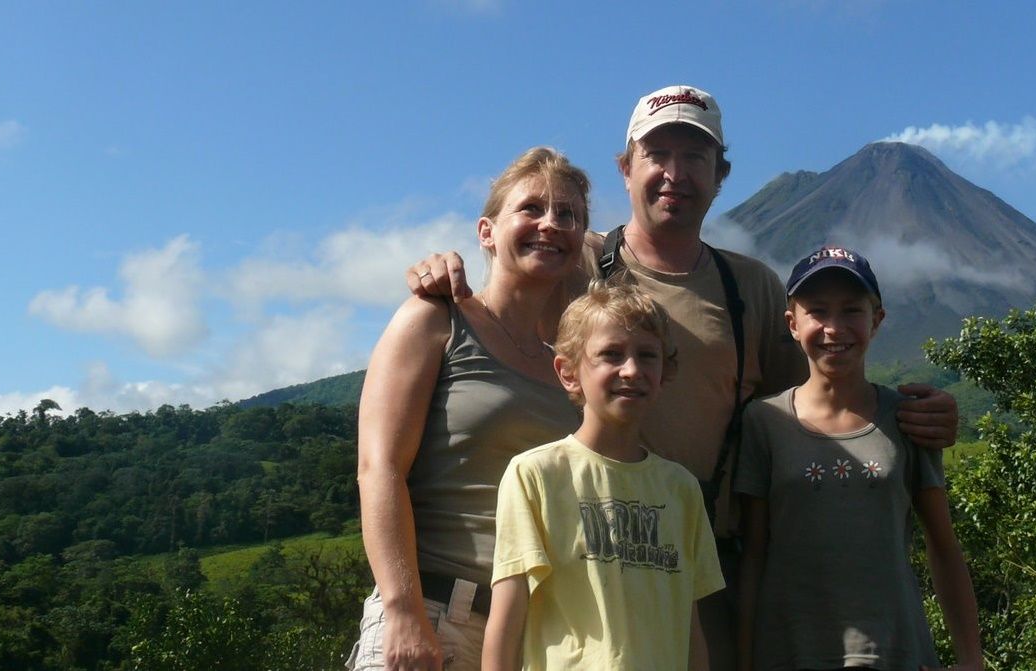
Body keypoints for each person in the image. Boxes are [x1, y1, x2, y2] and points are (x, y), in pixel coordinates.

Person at [405, 84, 961, 669]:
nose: (675, 172)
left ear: (720, 174)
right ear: (625, 168)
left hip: (698, 573)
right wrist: (442, 272)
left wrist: (908, 413)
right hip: (577, 576)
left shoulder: (752, 290)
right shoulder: (576, 261)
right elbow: (512, 265)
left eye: (694, 157)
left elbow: (824, 401)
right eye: (656, 154)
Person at [348, 147, 591, 671]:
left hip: (531, 636)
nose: (551, 223)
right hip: (433, 613)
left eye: (567, 214)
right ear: (486, 232)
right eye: (531, 208)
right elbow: (379, 469)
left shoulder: (567, 371)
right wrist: (403, 610)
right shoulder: (435, 321)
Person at [735, 246, 983, 671]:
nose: (834, 328)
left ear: (877, 320)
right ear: (792, 324)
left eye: (852, 310)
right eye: (817, 311)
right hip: (789, 651)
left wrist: (970, 661)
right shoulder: (764, 421)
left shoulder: (908, 418)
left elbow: (943, 546)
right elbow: (753, 555)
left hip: (893, 650)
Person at [483, 280, 724, 670]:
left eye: (648, 355)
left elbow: (690, 624)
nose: (632, 370)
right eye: (611, 354)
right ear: (568, 372)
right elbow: (507, 617)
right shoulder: (536, 475)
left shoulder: (681, 488)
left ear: (665, 372)